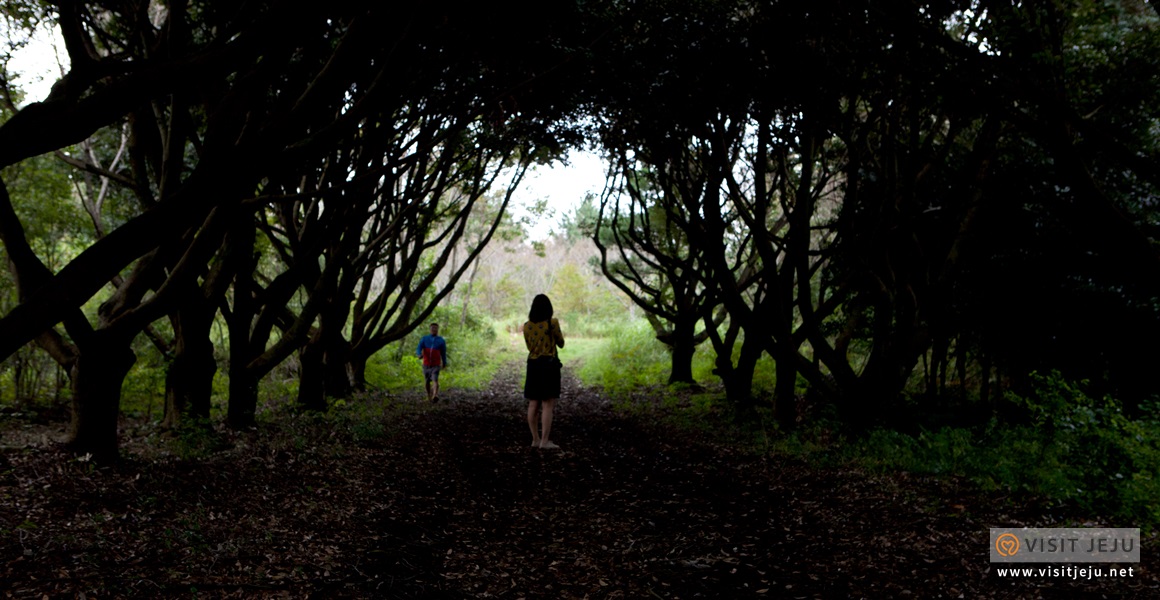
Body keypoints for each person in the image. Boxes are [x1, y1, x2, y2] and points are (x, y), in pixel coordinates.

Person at [523, 294, 565, 449]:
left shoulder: (526, 326)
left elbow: (529, 347)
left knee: (533, 402)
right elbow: (561, 343)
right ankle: (545, 441)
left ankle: (535, 439)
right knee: (547, 403)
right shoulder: (552, 323)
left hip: (532, 365)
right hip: (548, 365)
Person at [416, 323, 448, 403]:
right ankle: (429, 395)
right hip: (426, 364)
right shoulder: (425, 339)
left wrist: (444, 362)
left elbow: (443, 353)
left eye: (436, 328)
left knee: (435, 379)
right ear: (430, 329)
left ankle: (435, 395)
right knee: (427, 381)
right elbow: (419, 348)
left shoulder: (441, 340)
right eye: (432, 328)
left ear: (438, 330)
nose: (434, 330)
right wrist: (419, 354)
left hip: (436, 364)